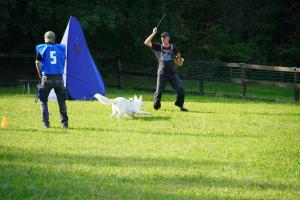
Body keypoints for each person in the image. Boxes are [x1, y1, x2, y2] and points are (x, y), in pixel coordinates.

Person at [144, 27, 188, 111]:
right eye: (162, 37)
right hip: (162, 73)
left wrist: (179, 59)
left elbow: (178, 55)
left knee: (181, 90)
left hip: (172, 73)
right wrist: (153, 33)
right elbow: (146, 42)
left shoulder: (173, 47)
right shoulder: (158, 47)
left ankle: (180, 105)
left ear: (168, 38)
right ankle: (156, 107)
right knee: (159, 92)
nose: (163, 38)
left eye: (165, 37)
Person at [35, 31, 69, 128]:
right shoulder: (61, 48)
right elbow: (64, 59)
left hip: (45, 77)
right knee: (62, 101)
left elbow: (37, 63)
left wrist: (40, 75)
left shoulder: (41, 48)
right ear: (54, 39)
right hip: (59, 77)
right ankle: (65, 124)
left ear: (45, 38)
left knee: (43, 100)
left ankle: (46, 124)